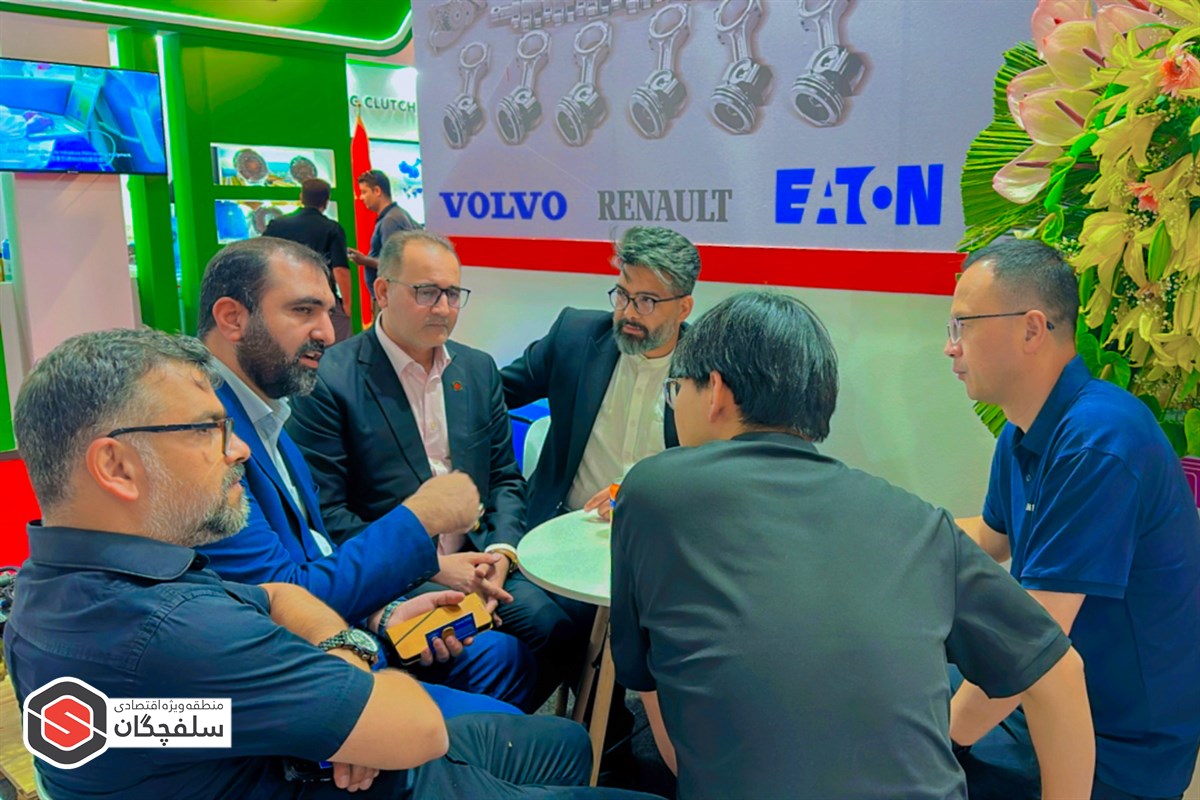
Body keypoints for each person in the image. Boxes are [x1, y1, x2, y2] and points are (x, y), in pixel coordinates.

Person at [5, 327, 658, 800]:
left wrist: (342, 665)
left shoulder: (50, 593)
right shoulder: (178, 632)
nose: (236, 449)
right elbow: (414, 729)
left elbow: (277, 599)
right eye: (206, 429)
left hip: (328, 738)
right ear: (116, 465)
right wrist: (357, 696)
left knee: (563, 742)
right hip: (381, 767)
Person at [610, 291, 1096, 800]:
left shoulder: (653, 491)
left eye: (675, 391)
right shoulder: (918, 522)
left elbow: (666, 721)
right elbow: (1060, 672)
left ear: (715, 391)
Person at [193, 237, 535, 717]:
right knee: (552, 740)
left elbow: (311, 548)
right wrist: (420, 523)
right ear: (232, 318)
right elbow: (279, 597)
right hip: (301, 677)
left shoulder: (268, 413)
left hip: (360, 615)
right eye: (303, 311)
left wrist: (385, 613)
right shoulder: (209, 434)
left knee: (512, 655)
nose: (326, 333)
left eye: (328, 311)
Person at [944, 235, 1200, 800]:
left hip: (1119, 750)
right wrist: (889, 538)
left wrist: (934, 742)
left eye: (963, 325)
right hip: (1044, 703)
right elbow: (992, 536)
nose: (950, 347)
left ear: (1032, 329)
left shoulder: (1098, 441)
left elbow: (1032, 644)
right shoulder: (1025, 429)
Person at [287, 229, 575, 709]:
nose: (443, 308)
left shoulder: (477, 369)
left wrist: (501, 554)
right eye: (426, 292)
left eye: (452, 294)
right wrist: (431, 567)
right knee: (490, 653)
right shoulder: (331, 380)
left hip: (481, 558)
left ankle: (523, 732)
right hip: (396, 571)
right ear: (382, 291)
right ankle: (476, 733)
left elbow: (504, 478)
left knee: (560, 628)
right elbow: (327, 514)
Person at [501, 225, 700, 529]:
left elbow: (717, 471)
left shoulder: (706, 371)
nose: (629, 313)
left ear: (683, 308)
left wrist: (643, 496)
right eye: (622, 295)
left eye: (646, 301)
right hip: (561, 525)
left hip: (656, 534)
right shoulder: (574, 337)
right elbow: (493, 394)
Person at [262, 178, 353, 342]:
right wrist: (347, 305)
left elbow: (262, 258)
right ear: (326, 201)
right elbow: (340, 269)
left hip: (284, 297)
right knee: (335, 347)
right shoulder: (332, 228)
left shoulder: (277, 225)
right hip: (320, 298)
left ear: (301, 197)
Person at [348, 168, 419, 304]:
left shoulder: (391, 220)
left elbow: (394, 264)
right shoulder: (396, 215)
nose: (361, 198)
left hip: (390, 300)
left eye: (364, 192)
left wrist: (364, 260)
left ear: (377, 191)